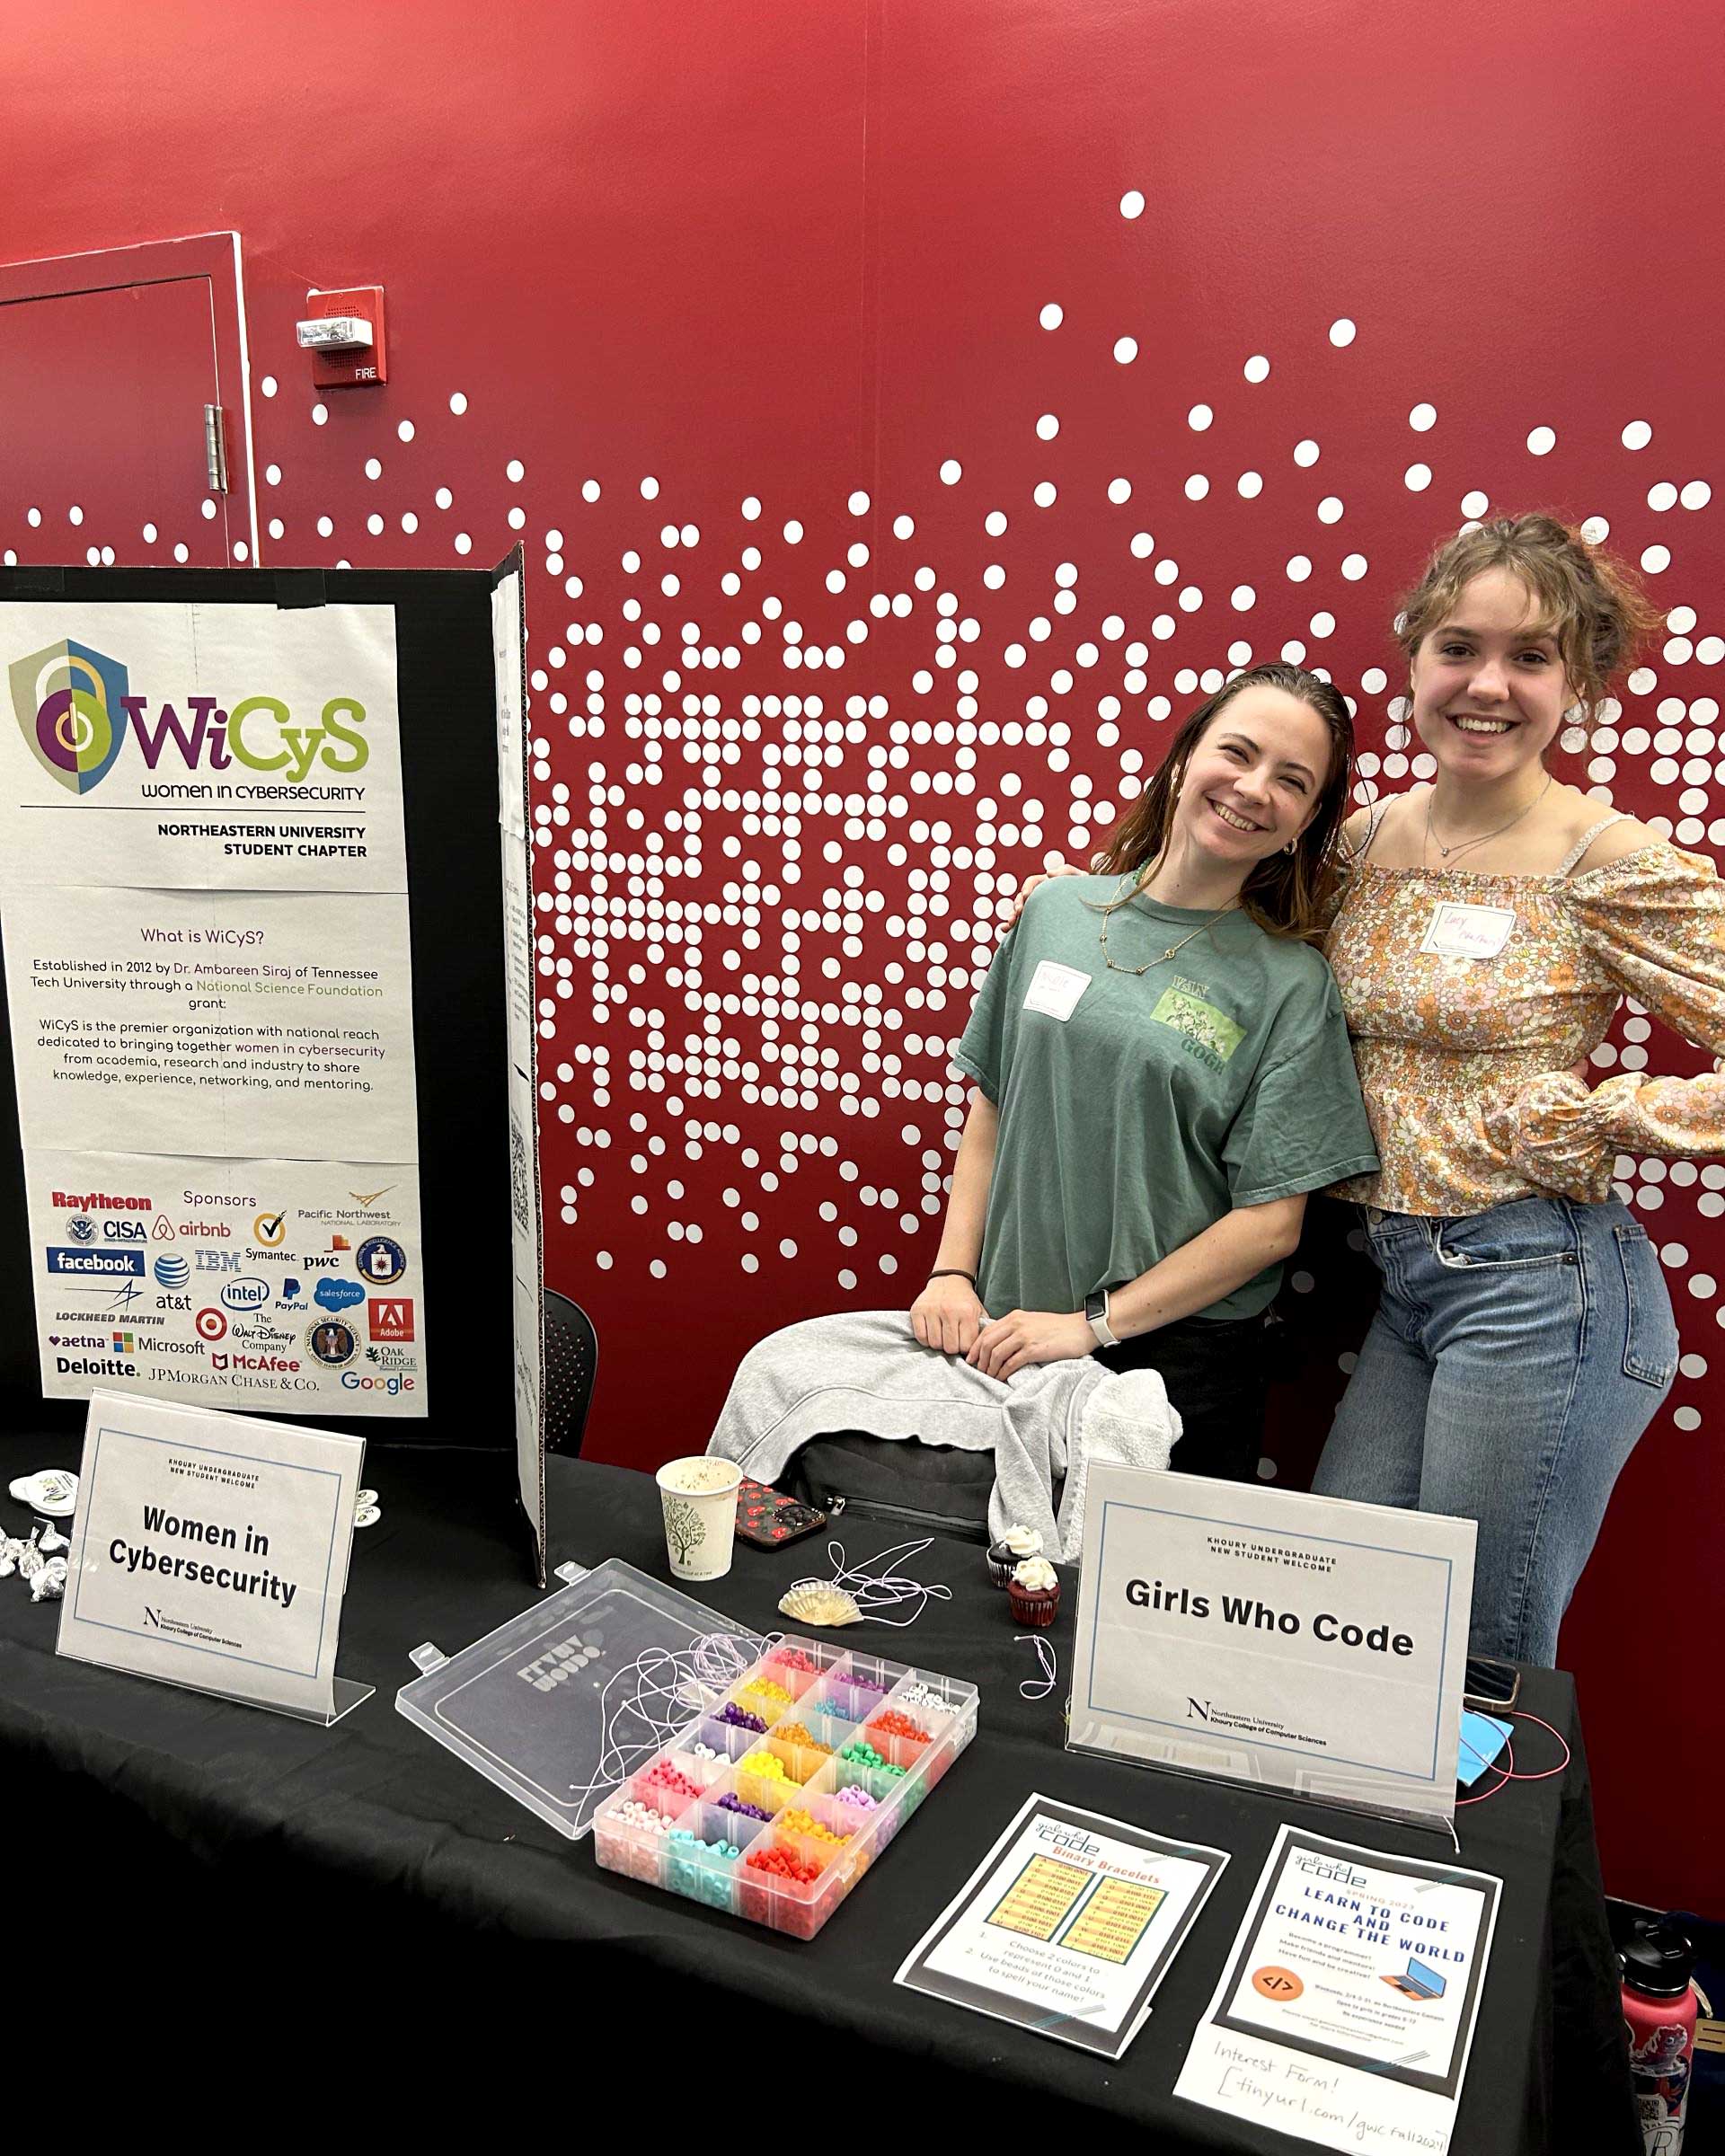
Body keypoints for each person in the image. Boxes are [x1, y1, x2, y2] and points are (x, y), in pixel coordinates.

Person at [706, 664, 1378, 1538]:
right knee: (986, 1604)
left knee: (1114, 1643)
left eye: (1292, 781)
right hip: (1004, 1334)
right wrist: (953, 1272)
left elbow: (1269, 1227)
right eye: (1237, 753)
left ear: (1303, 827)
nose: (1254, 789)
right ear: (1182, 762)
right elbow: (994, 1108)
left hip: (1171, 1365)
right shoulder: (1057, 910)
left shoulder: (1292, 986)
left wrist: (1092, 1327)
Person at [1307, 512, 1724, 1667]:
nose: (1487, 684)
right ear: (1412, 658)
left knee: (1474, 1660)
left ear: (1577, 683)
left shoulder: (1605, 859)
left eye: (1531, 657)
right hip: (1399, 1278)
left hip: (1542, 1285)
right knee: (1340, 1618)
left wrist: (1608, 1113)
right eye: (1458, 648)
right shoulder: (1367, 839)